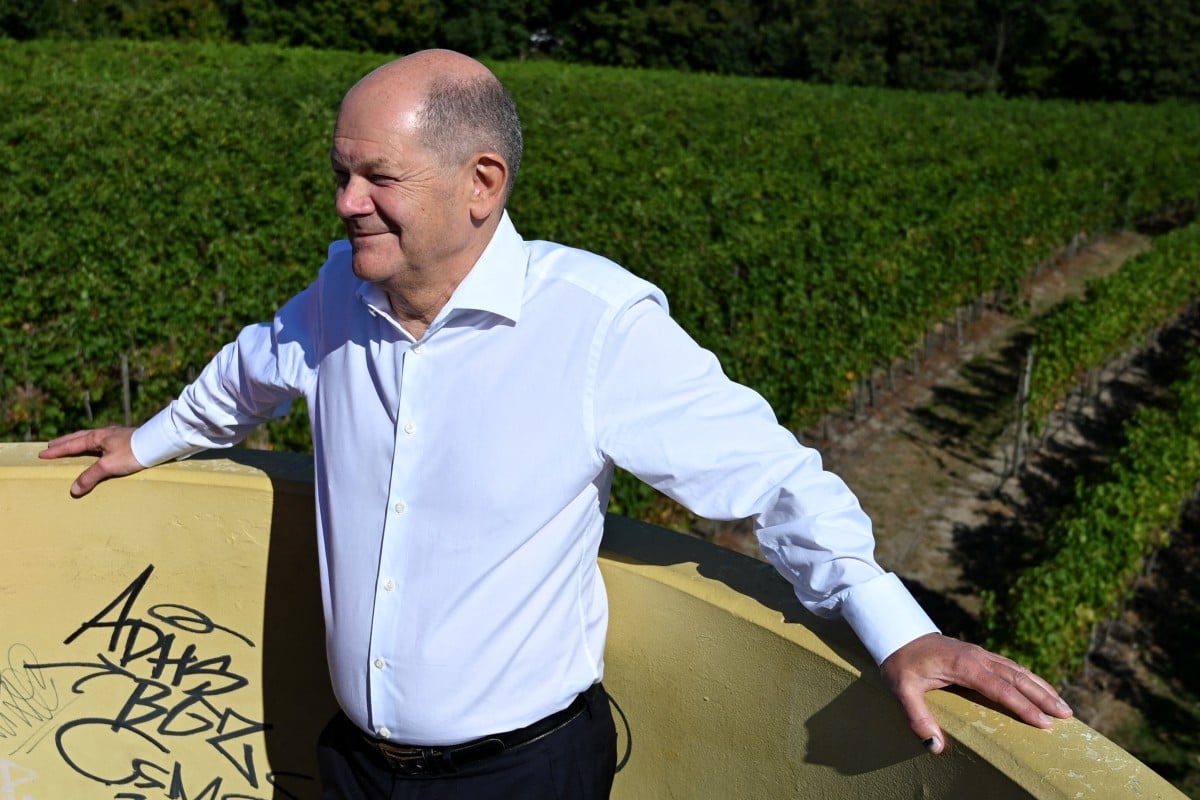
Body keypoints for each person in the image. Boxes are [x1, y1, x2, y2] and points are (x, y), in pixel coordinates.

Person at [40, 49, 1072, 798]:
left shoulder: (595, 326)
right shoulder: (338, 294)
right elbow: (255, 366)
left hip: (520, 778)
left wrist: (901, 628)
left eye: (377, 178)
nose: (347, 200)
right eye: (340, 173)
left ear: (482, 182)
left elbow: (776, 480)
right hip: (353, 762)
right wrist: (152, 439)